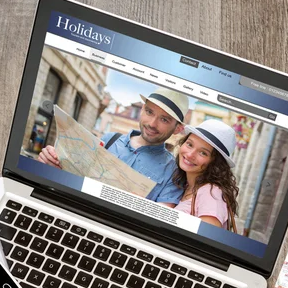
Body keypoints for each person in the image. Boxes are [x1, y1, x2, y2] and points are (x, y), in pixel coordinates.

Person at [38, 87, 189, 204]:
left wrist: (140, 206)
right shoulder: (109, 140)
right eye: (149, 112)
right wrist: (54, 164)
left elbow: (164, 218)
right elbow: (75, 180)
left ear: (178, 128)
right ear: (142, 109)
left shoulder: (174, 172)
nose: (152, 123)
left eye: (164, 120)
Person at [169, 119, 239, 231]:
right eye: (189, 144)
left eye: (203, 153)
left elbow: (205, 240)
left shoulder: (211, 192)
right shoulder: (185, 184)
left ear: (215, 163)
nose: (190, 154)